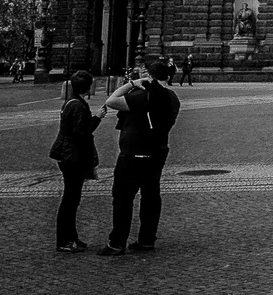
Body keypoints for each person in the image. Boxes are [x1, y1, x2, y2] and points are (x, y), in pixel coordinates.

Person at [98, 58, 181, 256]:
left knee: (123, 199)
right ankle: (146, 240)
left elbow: (111, 101)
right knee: (151, 197)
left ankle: (117, 243)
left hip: (133, 154)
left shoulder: (143, 96)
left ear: (149, 76)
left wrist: (133, 83)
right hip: (158, 152)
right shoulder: (172, 98)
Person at [48, 70, 105, 253]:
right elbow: (81, 132)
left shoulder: (73, 102)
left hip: (69, 154)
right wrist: (97, 118)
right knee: (70, 200)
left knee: (73, 199)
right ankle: (64, 240)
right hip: (72, 156)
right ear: (89, 86)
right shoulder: (77, 106)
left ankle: (71, 237)